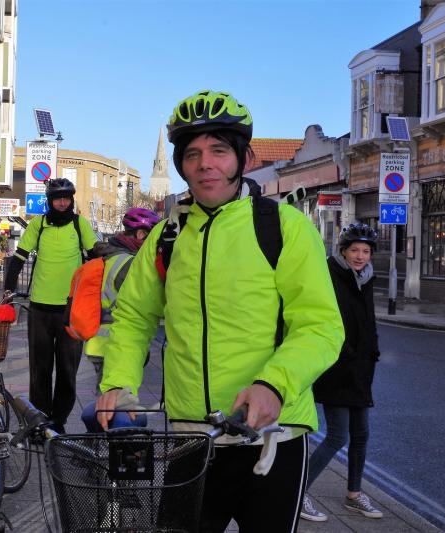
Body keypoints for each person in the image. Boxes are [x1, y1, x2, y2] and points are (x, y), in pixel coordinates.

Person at [95, 89, 344, 532]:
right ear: (180, 165)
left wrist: (274, 384)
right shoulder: (167, 236)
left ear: (243, 158)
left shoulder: (283, 227)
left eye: (218, 150)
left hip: (272, 440)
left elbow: (321, 326)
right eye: (192, 154)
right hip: (192, 439)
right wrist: (118, 382)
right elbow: (134, 317)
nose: (205, 163)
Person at [300, 223, 384, 522]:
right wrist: (341, 352)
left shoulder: (366, 278)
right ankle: (298, 493)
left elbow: (368, 321)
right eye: (354, 250)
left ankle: (354, 494)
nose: (360, 256)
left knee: (361, 435)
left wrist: (372, 350)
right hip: (337, 367)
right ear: (343, 251)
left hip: (361, 370)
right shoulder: (329, 275)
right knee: (337, 436)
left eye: (365, 251)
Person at [3, 178, 98, 433]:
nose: (63, 202)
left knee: (68, 372)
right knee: (40, 370)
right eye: (58, 198)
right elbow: (18, 259)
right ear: (50, 201)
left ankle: (59, 421)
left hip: (71, 310)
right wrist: (8, 291)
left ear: (72, 199)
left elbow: (97, 257)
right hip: (40, 310)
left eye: (67, 197)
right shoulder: (39, 225)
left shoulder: (80, 225)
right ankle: (40, 421)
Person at [85, 207, 161, 393]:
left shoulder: (110, 256)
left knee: (105, 403)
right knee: (113, 408)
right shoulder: (130, 263)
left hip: (98, 342)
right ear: (141, 234)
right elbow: (143, 301)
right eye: (153, 238)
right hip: (114, 344)